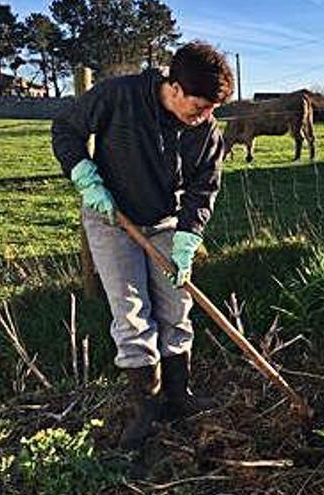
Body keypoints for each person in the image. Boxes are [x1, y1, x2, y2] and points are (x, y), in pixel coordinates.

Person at [51, 42, 234, 450]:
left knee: (175, 307)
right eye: (200, 106)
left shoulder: (207, 131)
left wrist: (188, 237)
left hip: (166, 223)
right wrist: (83, 174)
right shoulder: (120, 95)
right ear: (174, 87)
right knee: (132, 313)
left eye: (211, 109)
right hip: (114, 218)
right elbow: (66, 127)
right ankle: (145, 409)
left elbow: (204, 188)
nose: (205, 117)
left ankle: (178, 395)